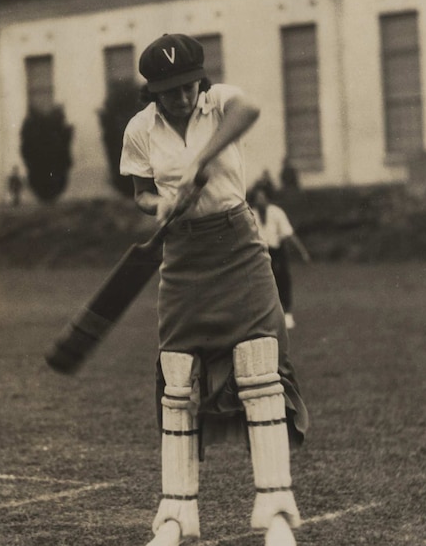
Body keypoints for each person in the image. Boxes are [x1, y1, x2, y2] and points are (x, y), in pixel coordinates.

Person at [120, 34, 309, 545]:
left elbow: (250, 108)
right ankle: (175, 518)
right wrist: (159, 206)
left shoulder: (221, 102)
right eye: (168, 91)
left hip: (238, 245)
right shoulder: (140, 129)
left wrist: (204, 157)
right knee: (177, 378)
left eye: (186, 87)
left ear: (199, 81)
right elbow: (139, 191)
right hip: (182, 255)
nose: (180, 99)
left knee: (260, 367)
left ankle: (275, 515)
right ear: (153, 93)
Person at [250, 183, 311, 329]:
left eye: (262, 197)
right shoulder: (250, 214)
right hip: (259, 253)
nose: (260, 201)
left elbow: (289, 234)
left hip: (277, 252)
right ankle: (266, 317)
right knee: (262, 285)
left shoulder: (276, 213)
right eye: (257, 198)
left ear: (268, 198)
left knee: (282, 281)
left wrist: (303, 252)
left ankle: (288, 314)